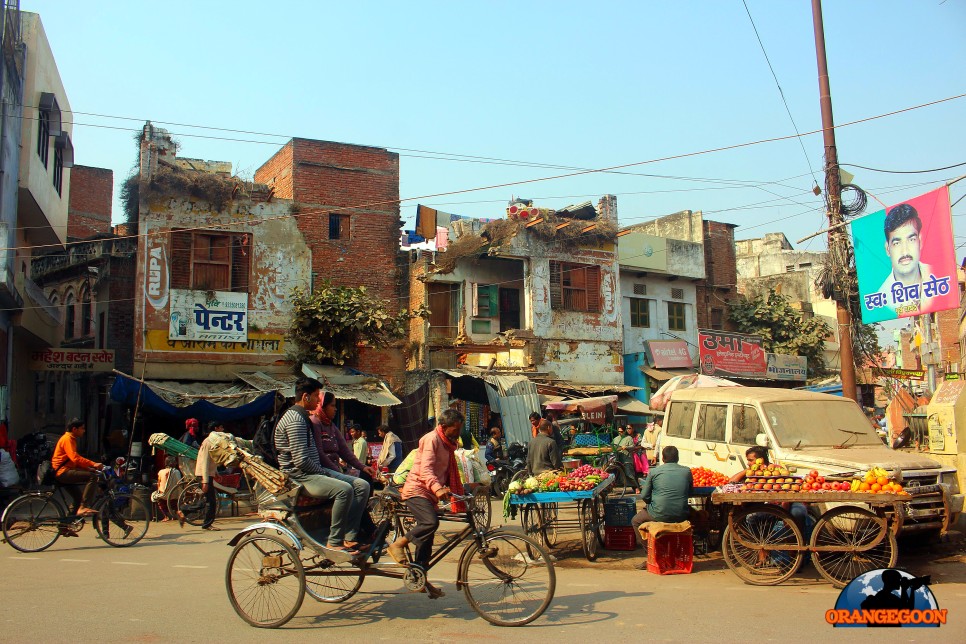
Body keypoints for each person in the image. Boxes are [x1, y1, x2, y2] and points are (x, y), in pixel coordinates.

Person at [274, 378, 364, 554]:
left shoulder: (304, 417)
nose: (318, 401)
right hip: (300, 475)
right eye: (316, 396)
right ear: (306, 397)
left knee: (362, 485)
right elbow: (301, 461)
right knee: (344, 489)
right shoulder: (295, 420)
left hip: (313, 471)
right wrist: (324, 472)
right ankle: (334, 541)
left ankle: (350, 537)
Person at [387, 408, 466, 599]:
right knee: (430, 523)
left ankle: (419, 576)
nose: (458, 434)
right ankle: (398, 544)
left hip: (429, 493)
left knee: (427, 538)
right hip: (417, 490)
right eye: (455, 430)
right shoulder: (431, 439)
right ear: (444, 427)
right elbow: (426, 470)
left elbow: (445, 473)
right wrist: (438, 489)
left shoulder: (449, 444)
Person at [310, 392, 375, 544]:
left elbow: (345, 451)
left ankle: (355, 533)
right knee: (349, 488)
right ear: (322, 406)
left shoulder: (331, 426)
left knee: (365, 482)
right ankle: (354, 533)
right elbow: (319, 454)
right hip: (322, 470)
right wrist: (337, 471)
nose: (335, 409)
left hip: (334, 469)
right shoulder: (315, 423)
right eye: (332, 406)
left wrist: (363, 466)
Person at [872, 203, 936, 316]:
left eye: (911, 239)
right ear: (887, 249)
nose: (905, 251)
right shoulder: (883, 297)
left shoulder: (938, 277)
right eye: (897, 243)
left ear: (919, 241)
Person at [631, 445, 693, 559]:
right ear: (678, 458)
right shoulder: (687, 471)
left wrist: (651, 503)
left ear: (663, 459)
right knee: (698, 516)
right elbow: (690, 493)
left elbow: (644, 495)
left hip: (657, 513)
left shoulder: (654, 472)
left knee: (635, 521)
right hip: (681, 514)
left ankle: (650, 554)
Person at [729, 446, 808, 531]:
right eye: (748, 460)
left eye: (750, 460)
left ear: (761, 460)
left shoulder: (776, 470)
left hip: (782, 504)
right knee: (751, 517)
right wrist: (748, 469)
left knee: (798, 513)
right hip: (766, 506)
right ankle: (759, 540)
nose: (748, 463)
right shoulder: (752, 472)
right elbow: (732, 481)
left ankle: (797, 539)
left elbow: (786, 493)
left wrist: (785, 515)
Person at [51, 419, 104, 517]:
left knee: (78, 498)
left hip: (65, 471)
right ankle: (84, 507)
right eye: (82, 428)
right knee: (93, 477)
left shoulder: (70, 438)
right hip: (63, 472)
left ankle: (64, 525)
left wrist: (88, 468)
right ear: (74, 429)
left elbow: (73, 461)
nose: (84, 431)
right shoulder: (67, 439)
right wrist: (93, 464)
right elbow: (75, 458)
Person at [192, 420, 224, 531]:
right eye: (221, 428)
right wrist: (205, 480)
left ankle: (183, 511)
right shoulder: (208, 442)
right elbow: (205, 461)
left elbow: (211, 460)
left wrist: (215, 473)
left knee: (206, 500)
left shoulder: (213, 441)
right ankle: (207, 524)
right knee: (211, 501)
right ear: (216, 429)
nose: (223, 430)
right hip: (203, 475)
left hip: (207, 474)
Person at [153, 456, 182, 521]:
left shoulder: (161, 472)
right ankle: (174, 515)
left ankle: (166, 516)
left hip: (163, 495)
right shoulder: (176, 471)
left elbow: (159, 483)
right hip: (174, 495)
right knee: (175, 503)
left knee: (155, 497)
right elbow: (179, 483)